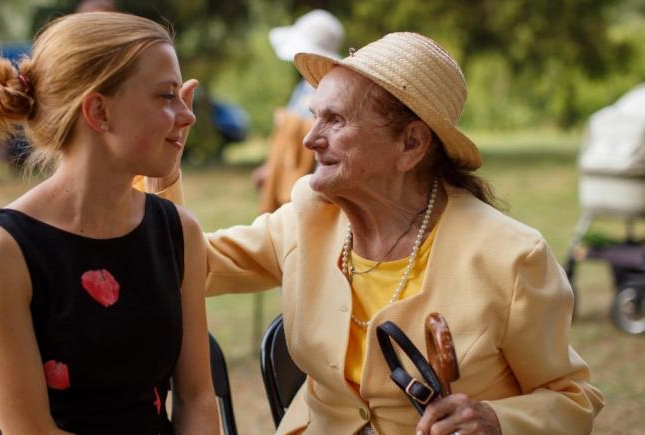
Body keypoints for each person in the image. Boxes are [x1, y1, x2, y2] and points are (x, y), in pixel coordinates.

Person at [147, 32, 604, 434]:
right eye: (315, 116)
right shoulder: (310, 215)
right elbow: (185, 267)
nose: (310, 139)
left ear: (411, 144)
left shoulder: (512, 258)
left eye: (336, 120)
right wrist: (163, 172)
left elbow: (572, 398)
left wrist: (498, 421)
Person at [0, 12, 219, 434]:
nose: (186, 115)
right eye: (166, 95)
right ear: (99, 111)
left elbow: (196, 397)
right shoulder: (2, 251)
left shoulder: (180, 232)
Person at [253, 9, 345, 214]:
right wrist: (271, 168)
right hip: (288, 178)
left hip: (309, 184)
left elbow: (315, 141)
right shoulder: (303, 87)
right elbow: (287, 139)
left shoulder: (328, 92)